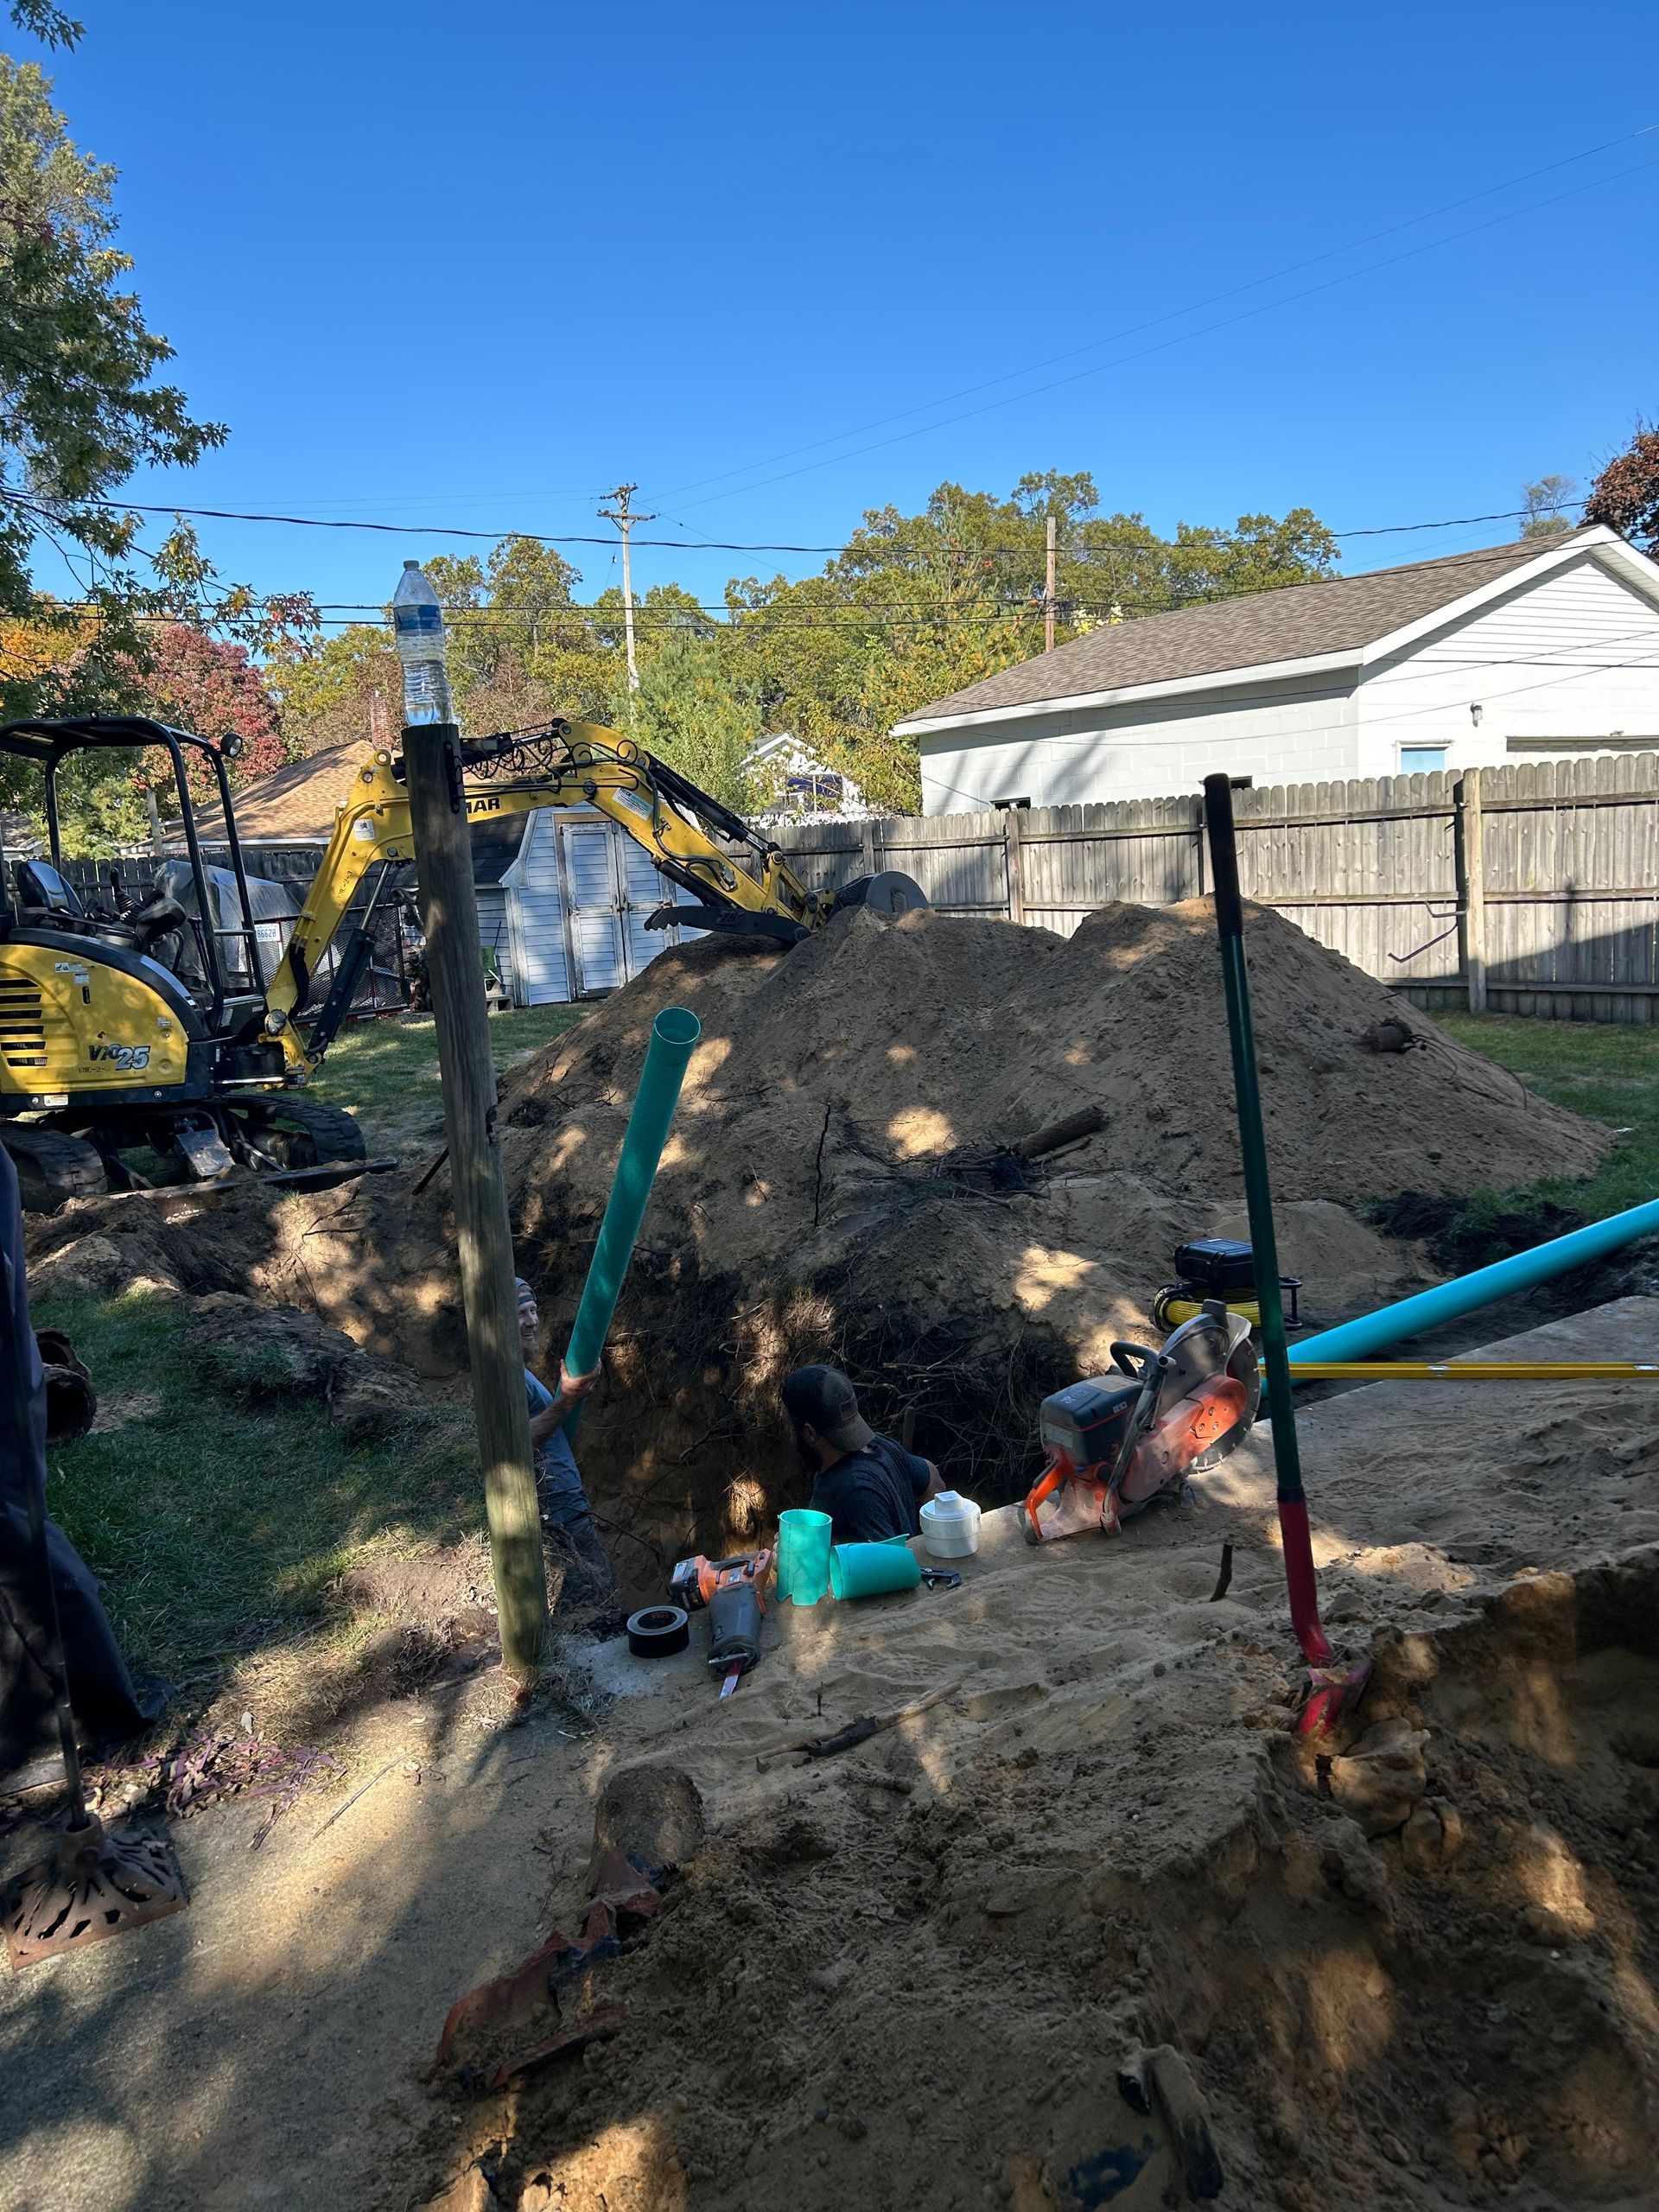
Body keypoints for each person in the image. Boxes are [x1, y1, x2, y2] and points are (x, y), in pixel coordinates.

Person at [517, 1276, 613, 1604]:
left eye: (533, 1310)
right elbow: (518, 1442)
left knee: (599, 1597)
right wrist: (568, 1400)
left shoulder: (520, 1373)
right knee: (598, 1602)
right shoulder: (505, 1376)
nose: (532, 1321)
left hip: (566, 1509)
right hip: (557, 1516)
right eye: (521, 1313)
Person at [782, 1363, 945, 1545]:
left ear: (810, 1434)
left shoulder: (851, 1493)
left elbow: (887, 1559)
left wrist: (805, 1550)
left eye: (787, 1426)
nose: (787, 1436)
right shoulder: (882, 1445)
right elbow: (933, 1479)